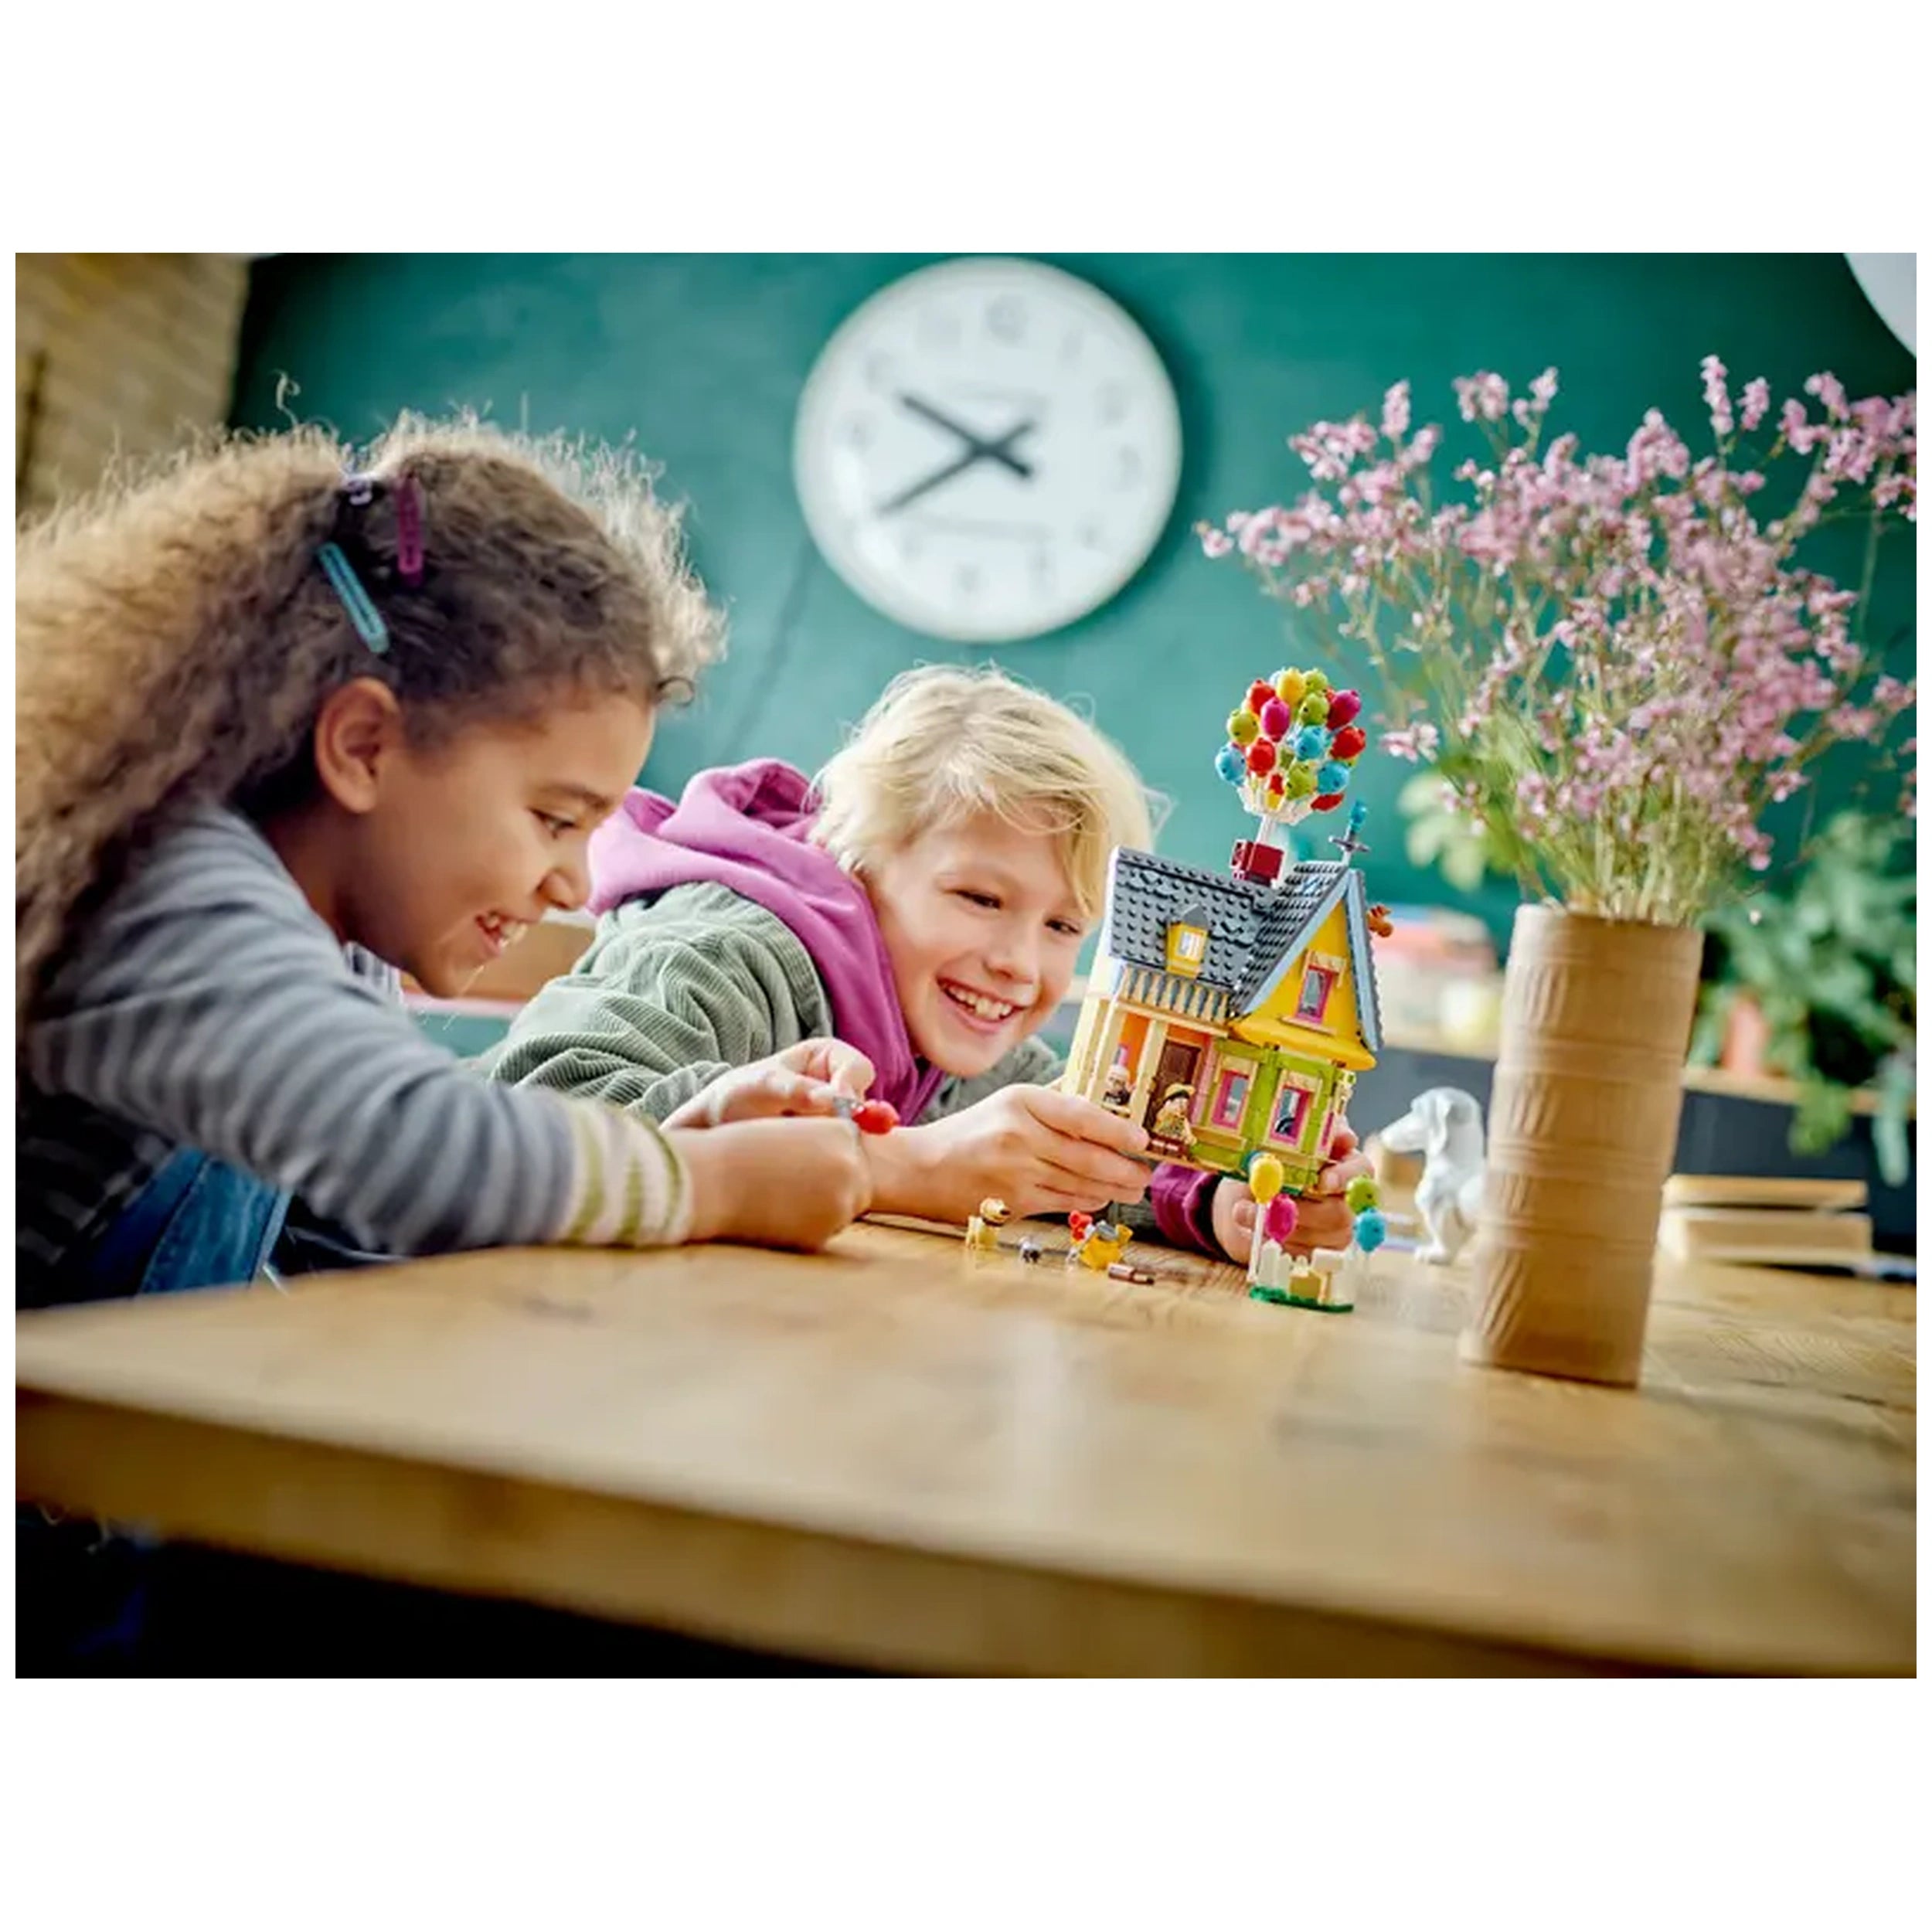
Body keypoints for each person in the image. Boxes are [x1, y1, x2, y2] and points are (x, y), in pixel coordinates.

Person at [15, 414, 880, 1318]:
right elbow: (420, 1157)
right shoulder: (161, 896)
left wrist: (673, 1140)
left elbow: (354, 1223)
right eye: (553, 817)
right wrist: (704, 1182)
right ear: (363, 744)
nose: (574, 884)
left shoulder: (333, 940)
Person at [482, 664, 1367, 1255]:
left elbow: (1073, 1162)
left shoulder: (964, 1047)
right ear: (857, 863)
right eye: (980, 899)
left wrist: (1224, 1204)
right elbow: (526, 1114)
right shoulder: (725, 953)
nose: (1020, 963)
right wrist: (908, 1165)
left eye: (1065, 927)